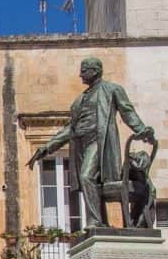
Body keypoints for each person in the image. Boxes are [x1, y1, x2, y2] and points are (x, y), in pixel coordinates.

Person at [27, 57, 155, 228]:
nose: (80, 75)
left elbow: (127, 111)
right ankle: (100, 221)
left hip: (100, 142)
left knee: (86, 176)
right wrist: (45, 149)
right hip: (81, 145)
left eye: (84, 70)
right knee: (89, 182)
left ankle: (94, 221)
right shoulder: (79, 101)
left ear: (95, 71)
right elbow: (69, 129)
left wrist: (141, 130)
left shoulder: (112, 90)